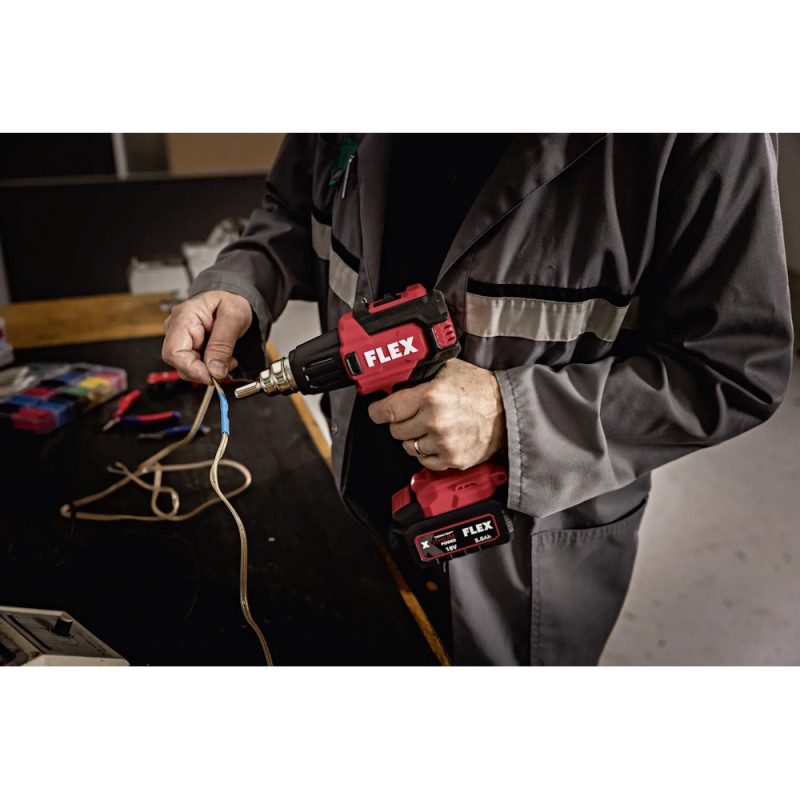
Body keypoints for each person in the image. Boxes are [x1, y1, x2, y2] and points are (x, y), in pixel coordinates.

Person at [162, 133, 793, 666]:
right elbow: (292, 211)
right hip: (359, 497)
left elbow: (737, 365)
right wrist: (242, 281)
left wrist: (512, 416)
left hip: (519, 561)